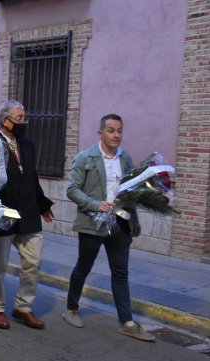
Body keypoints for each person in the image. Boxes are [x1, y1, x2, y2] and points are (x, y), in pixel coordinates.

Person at [62, 114, 155, 342]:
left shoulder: (126, 159)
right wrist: (95, 204)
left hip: (120, 223)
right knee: (83, 267)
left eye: (120, 131)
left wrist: (133, 218)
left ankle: (127, 322)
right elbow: (72, 189)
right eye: (111, 130)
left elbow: (130, 191)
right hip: (92, 222)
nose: (116, 135)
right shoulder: (86, 157)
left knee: (121, 272)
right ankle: (71, 309)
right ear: (100, 133)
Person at [0, 100, 54, 331]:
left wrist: (43, 205)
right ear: (5, 121)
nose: (24, 122)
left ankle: (23, 307)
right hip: (2, 214)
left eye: (25, 118)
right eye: (20, 118)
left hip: (27, 213)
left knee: (33, 262)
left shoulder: (27, 144)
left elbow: (31, 177)